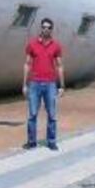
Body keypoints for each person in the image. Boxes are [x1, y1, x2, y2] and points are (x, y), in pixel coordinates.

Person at [22, 17, 65, 150]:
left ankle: (51, 141)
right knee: (32, 114)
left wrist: (62, 85)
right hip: (34, 83)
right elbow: (27, 64)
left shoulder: (56, 46)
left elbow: (59, 66)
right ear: (41, 28)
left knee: (52, 114)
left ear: (52, 29)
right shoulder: (32, 44)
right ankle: (31, 141)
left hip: (50, 84)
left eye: (48, 27)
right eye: (44, 27)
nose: (46, 29)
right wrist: (24, 84)